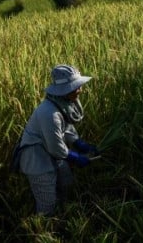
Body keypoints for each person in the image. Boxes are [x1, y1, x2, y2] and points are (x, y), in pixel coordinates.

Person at [17, 64, 100, 216]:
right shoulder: (50, 113)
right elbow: (56, 148)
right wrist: (76, 157)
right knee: (47, 203)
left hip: (54, 154)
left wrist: (79, 143)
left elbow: (66, 128)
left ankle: (63, 219)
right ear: (65, 90)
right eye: (76, 87)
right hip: (38, 160)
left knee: (67, 185)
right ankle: (43, 229)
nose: (79, 90)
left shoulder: (63, 103)